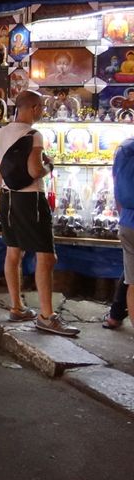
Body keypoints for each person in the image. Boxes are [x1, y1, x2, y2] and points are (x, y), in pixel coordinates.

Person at [0, 91, 79, 336]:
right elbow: (34, 170)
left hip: (8, 198)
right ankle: (46, 315)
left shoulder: (2, 132)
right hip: (30, 199)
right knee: (46, 256)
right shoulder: (34, 135)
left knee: (13, 252)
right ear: (32, 108)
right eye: (41, 107)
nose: (42, 112)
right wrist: (49, 166)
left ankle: (17, 306)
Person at [108, 135, 134, 332]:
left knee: (132, 281)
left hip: (128, 223)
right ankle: (115, 314)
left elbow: (116, 184)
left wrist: (122, 215)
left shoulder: (124, 147)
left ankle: (115, 315)